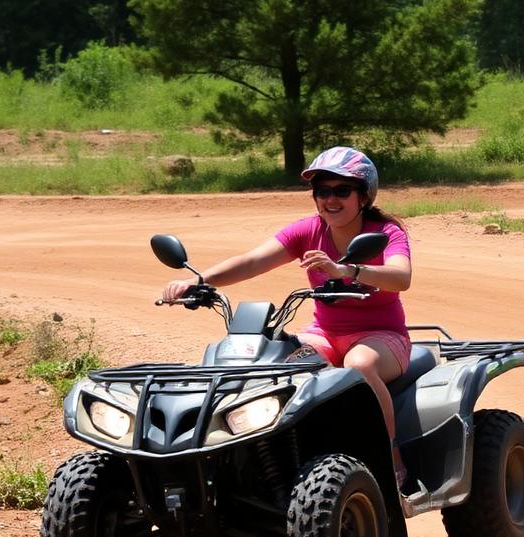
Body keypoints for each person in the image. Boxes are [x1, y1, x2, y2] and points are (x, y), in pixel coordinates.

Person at [159, 146, 416, 485]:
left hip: (381, 336)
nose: (331, 199)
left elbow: (401, 277)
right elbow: (252, 261)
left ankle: (391, 458)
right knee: (274, 364)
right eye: (322, 191)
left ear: (364, 196)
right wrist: (198, 281)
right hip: (325, 334)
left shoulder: (385, 233)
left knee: (359, 366)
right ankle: (270, 463)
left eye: (342, 191)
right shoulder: (307, 231)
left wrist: (347, 270)